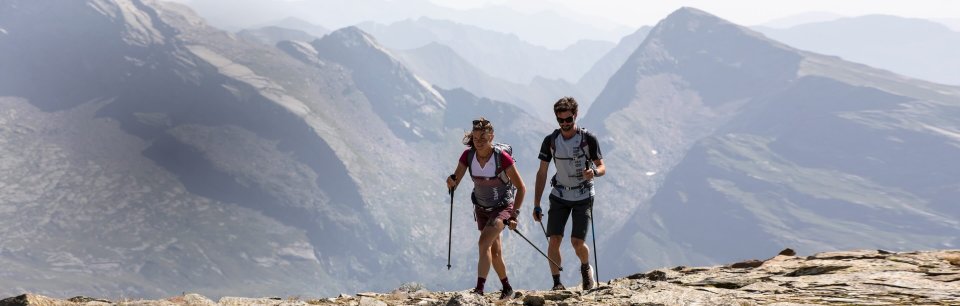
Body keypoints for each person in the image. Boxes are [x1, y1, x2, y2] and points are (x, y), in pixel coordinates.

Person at [446, 117, 527, 300]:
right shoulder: (468, 156)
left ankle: (479, 290)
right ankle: (507, 288)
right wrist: (451, 182)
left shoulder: (501, 158)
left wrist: (514, 215)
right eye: (475, 138)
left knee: (483, 243)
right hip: (481, 208)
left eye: (483, 137)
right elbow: (455, 181)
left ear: (492, 136)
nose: (479, 141)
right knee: (495, 251)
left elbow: (521, 188)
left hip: (502, 208)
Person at [532, 97, 606, 291]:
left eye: (568, 119)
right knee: (554, 239)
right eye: (560, 120)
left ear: (576, 116)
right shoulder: (550, 141)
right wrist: (536, 203)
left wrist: (595, 173)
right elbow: (542, 172)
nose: (565, 124)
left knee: (577, 242)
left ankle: (585, 268)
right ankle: (557, 283)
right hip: (559, 194)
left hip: (583, 195)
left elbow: (602, 166)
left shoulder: (588, 139)